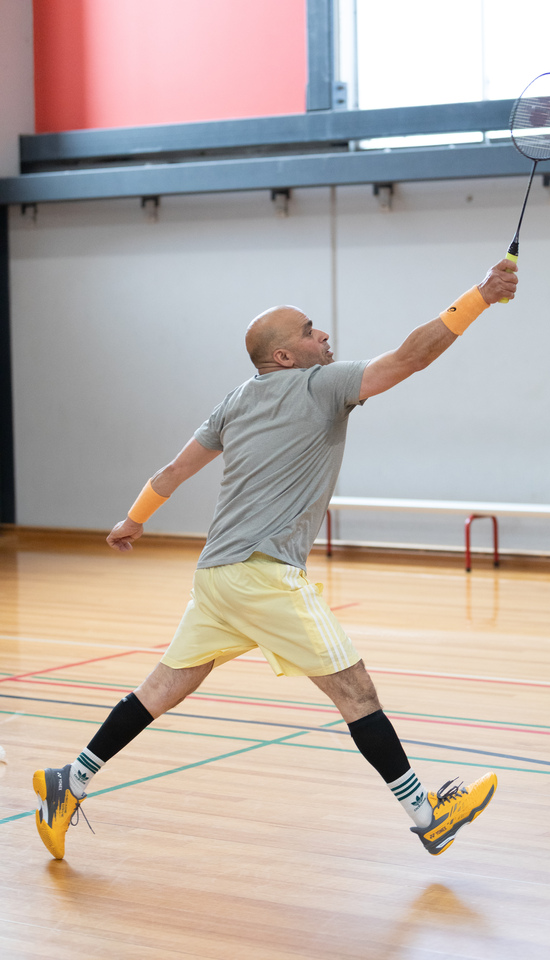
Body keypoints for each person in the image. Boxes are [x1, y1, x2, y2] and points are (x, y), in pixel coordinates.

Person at [33, 258, 518, 861]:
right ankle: (428, 816)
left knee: (163, 687)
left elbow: (172, 472)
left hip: (217, 576)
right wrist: (480, 296)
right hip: (262, 574)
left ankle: (69, 781)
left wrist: (133, 519)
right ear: (285, 356)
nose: (325, 335)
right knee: (356, 691)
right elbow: (411, 357)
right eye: (311, 331)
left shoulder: (235, 401)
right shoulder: (321, 385)